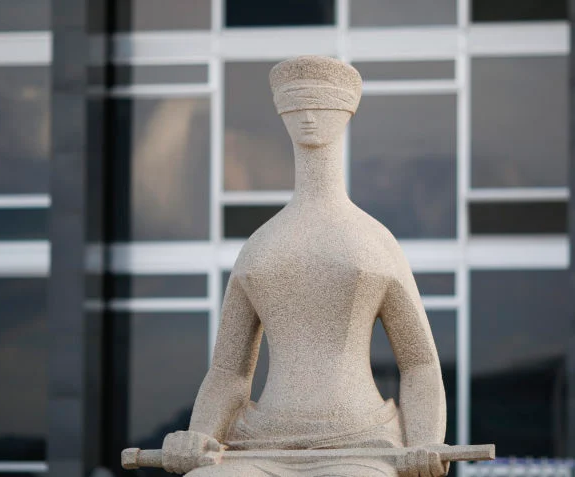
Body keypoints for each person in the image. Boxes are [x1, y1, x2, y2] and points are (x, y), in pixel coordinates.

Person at [163, 56, 448, 477]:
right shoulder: (260, 247)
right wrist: (198, 435)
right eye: (297, 107)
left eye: (321, 105)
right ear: (282, 114)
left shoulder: (374, 241)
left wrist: (425, 441)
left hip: (360, 438)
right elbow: (228, 372)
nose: (309, 117)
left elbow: (420, 362)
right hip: (262, 440)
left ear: (346, 112)